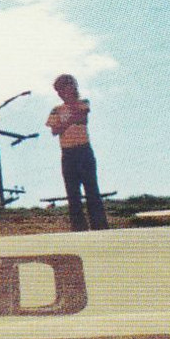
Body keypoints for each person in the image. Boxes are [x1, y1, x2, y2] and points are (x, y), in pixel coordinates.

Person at [46, 74, 108, 231]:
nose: (61, 93)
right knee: (72, 192)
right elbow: (55, 130)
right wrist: (69, 121)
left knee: (91, 189)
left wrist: (67, 121)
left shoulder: (83, 102)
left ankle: (99, 225)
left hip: (83, 149)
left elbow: (82, 117)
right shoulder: (56, 110)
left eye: (64, 88)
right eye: (59, 90)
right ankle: (78, 226)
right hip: (67, 152)